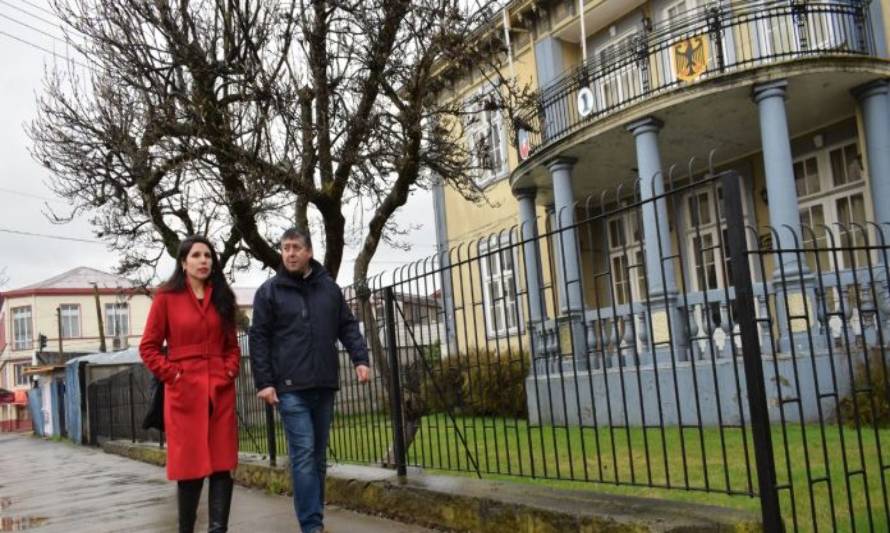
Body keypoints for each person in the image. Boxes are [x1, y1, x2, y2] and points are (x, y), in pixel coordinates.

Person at [249, 227, 370, 533]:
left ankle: (314, 517)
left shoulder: (329, 289)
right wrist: (264, 382)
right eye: (285, 248)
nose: (290, 253)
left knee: (316, 458)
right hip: (290, 389)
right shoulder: (268, 293)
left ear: (309, 252)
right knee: (303, 455)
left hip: (324, 385)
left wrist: (361, 359)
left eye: (296, 248)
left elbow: (347, 325)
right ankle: (311, 526)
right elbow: (259, 339)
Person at [140, 236, 241, 533]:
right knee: (190, 466)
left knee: (222, 464)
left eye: (208, 255)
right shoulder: (166, 298)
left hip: (220, 392)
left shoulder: (223, 297)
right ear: (183, 262)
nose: (203, 260)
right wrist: (175, 376)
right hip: (184, 394)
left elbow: (233, 347)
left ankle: (218, 530)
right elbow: (148, 347)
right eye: (196, 255)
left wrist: (229, 372)